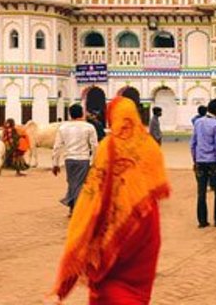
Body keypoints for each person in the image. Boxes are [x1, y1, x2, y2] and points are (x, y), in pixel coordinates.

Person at [50, 97, 171, 304]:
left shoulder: (110, 146)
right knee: (137, 289)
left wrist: (86, 227)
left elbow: (95, 193)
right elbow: (156, 185)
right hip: (146, 224)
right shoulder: (150, 145)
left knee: (109, 287)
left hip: (117, 227)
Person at [52, 104, 99, 216]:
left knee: (72, 183)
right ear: (82, 113)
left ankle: (72, 206)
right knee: (79, 184)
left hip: (69, 159)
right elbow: (94, 146)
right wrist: (93, 161)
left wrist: (55, 163)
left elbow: (57, 146)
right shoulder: (89, 127)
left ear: (70, 114)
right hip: (83, 159)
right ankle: (77, 209)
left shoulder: (63, 128)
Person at [190, 99, 216, 228]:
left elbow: (193, 143)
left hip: (200, 161)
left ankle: (202, 220)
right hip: (212, 161)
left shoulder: (198, 123)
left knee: (201, 192)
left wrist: (195, 160)